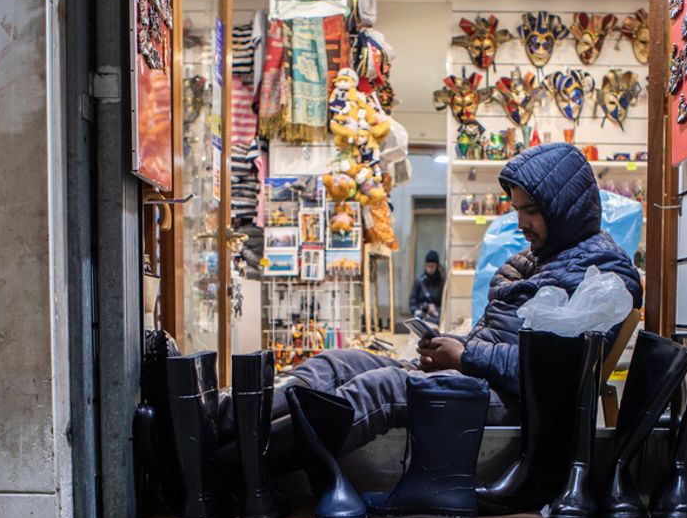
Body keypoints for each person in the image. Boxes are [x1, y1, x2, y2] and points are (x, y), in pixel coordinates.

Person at [258, 142, 643, 457]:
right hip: (490, 380)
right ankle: (230, 422)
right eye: (517, 210)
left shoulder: (603, 275)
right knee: (340, 362)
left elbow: (560, 369)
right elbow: (503, 339)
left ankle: (245, 463)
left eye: (533, 211)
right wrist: (456, 347)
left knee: (382, 388)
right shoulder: (544, 256)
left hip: (523, 404)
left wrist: (464, 357)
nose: (522, 224)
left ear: (565, 209)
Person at [409, 250, 446, 325]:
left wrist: (435, 309)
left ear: (437, 266)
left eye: (432, 266)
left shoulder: (441, 282)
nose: (430, 269)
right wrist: (417, 310)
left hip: (436, 317)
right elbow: (413, 301)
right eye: (427, 266)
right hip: (422, 316)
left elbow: (444, 303)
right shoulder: (419, 281)